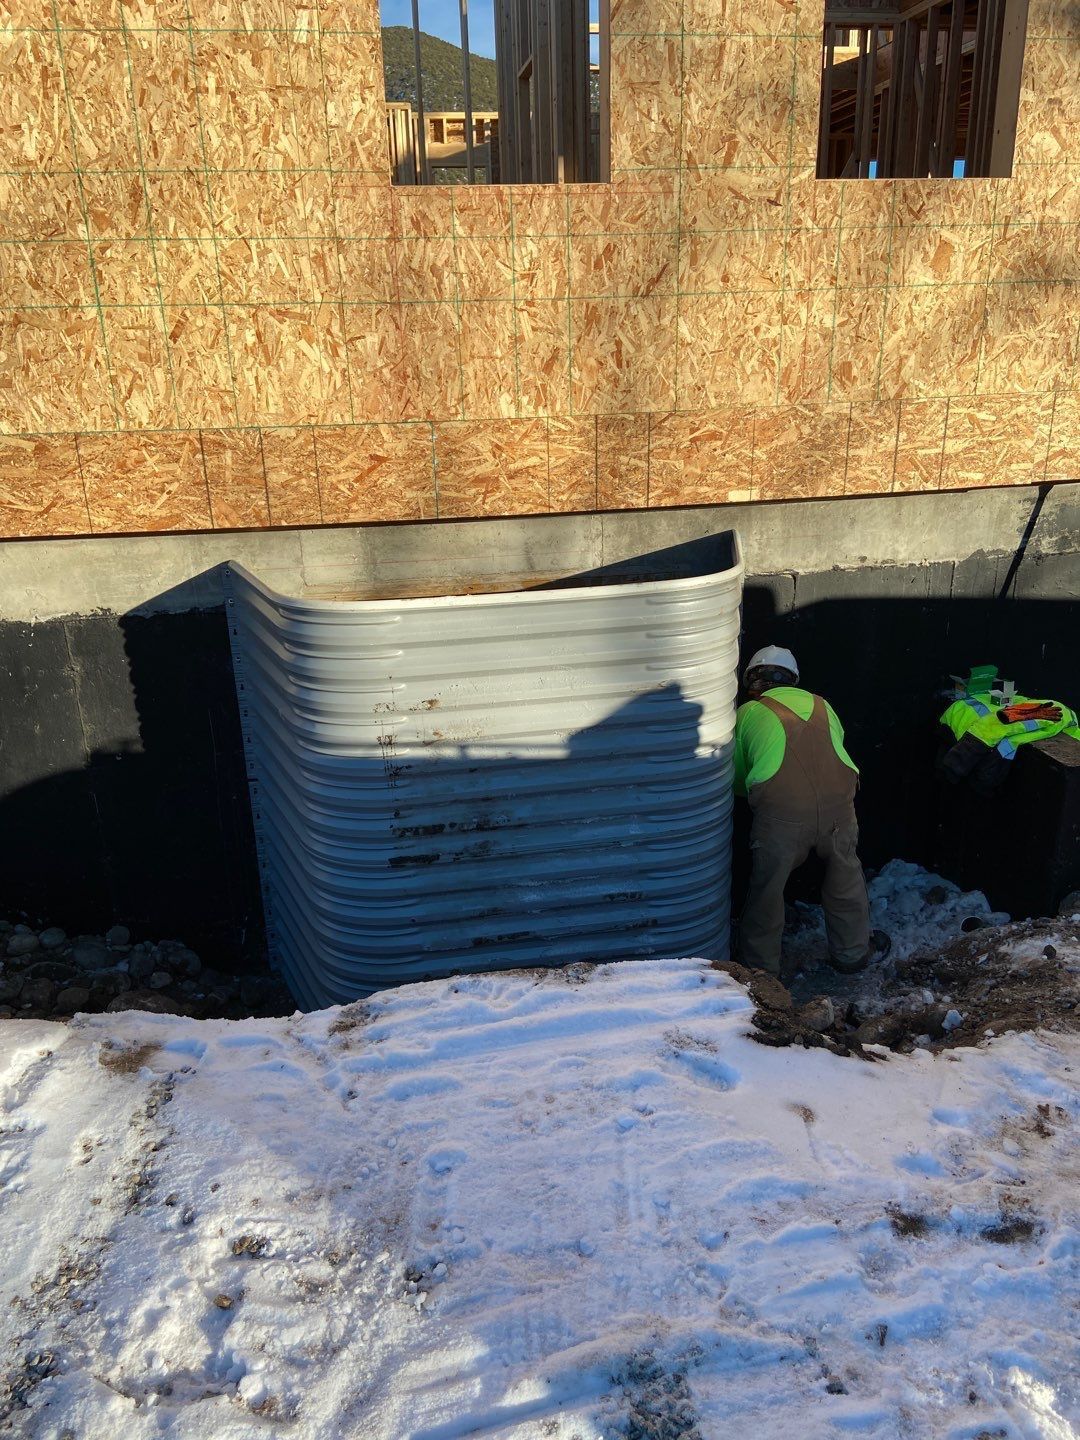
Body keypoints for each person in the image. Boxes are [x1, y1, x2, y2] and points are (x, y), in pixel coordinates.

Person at [733, 645, 889, 981]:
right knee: (845, 878)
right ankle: (853, 954)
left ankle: (760, 973)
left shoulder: (747, 713)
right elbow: (833, 751)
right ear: (794, 680)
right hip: (839, 809)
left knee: (767, 890)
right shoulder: (823, 705)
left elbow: (739, 779)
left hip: (782, 815)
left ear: (752, 681)